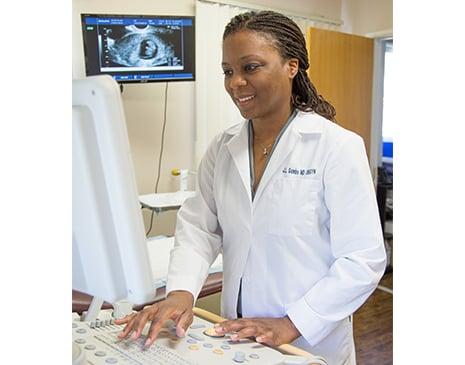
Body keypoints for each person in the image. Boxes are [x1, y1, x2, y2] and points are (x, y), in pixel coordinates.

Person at [115, 10, 386, 365]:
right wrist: (181, 292)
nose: (235, 83)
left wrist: (292, 323)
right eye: (228, 71)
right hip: (238, 335)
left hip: (305, 345)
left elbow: (363, 259)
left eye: (251, 67)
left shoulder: (335, 146)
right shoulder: (223, 148)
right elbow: (200, 226)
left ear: (292, 66)